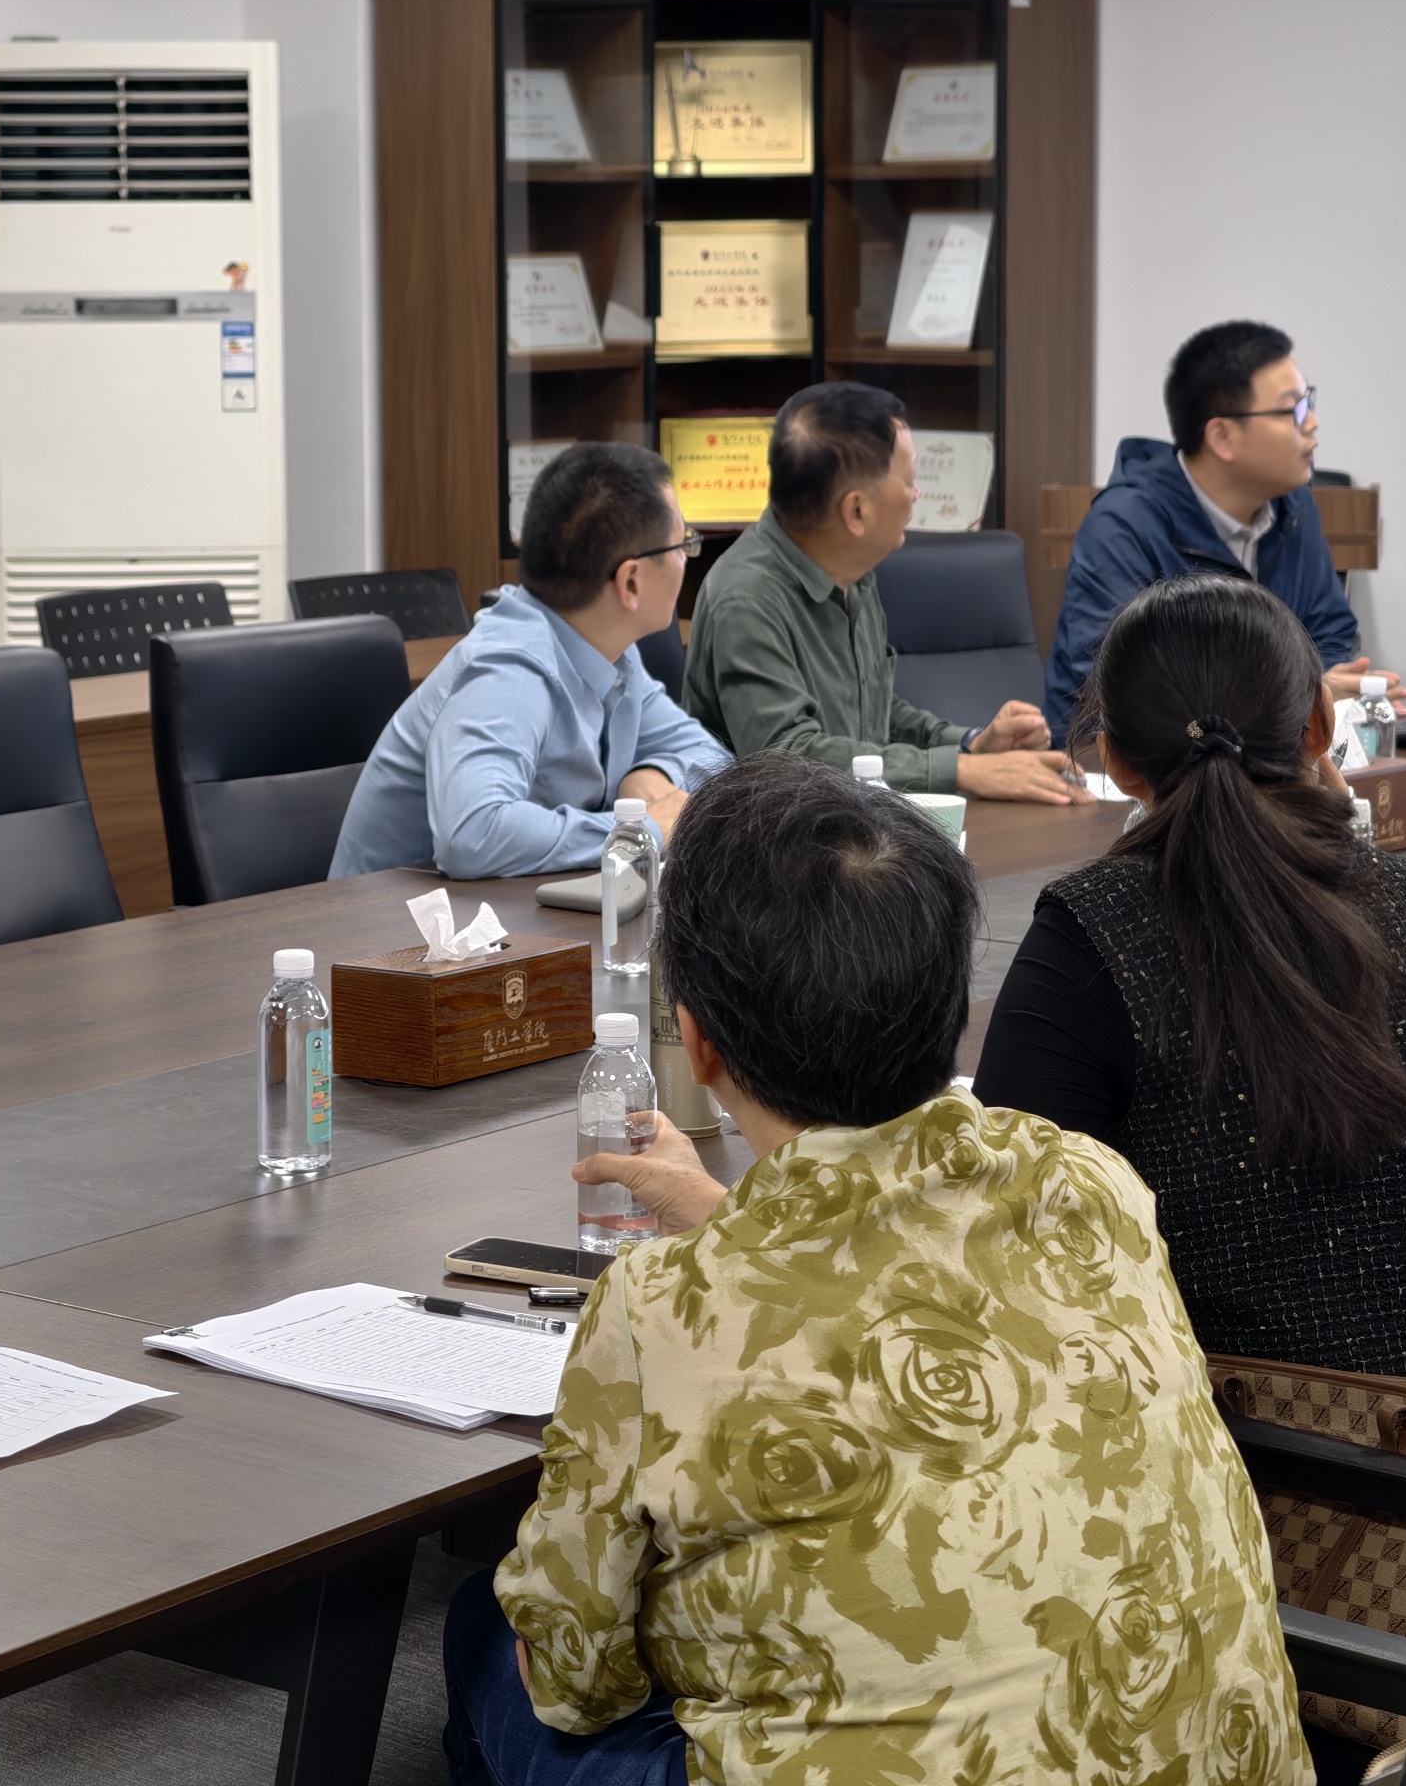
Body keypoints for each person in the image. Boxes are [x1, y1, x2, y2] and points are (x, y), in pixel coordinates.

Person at [471, 753, 1305, 1786]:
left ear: (696, 1042)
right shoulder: (1091, 1183)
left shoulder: (656, 1307)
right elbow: (904, 1276)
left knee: (487, 1641)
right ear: (952, 1007)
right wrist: (735, 1223)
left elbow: (574, 1680)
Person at [979, 578, 1406, 1380]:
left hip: (1245, 1441)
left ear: (1115, 761)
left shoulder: (1093, 933)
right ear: (1321, 725)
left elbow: (1007, 1224)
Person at [333, 442, 729, 879]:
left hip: (505, 910)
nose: (685, 558)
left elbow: (712, 758)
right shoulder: (509, 670)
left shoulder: (610, 652)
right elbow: (472, 834)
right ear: (631, 581)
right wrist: (641, 828)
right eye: (683, 544)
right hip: (388, 920)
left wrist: (650, 772)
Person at [678, 380, 1082, 803]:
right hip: (775, 833)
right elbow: (790, 759)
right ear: (856, 511)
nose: (917, 493)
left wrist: (969, 744)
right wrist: (964, 771)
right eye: (908, 479)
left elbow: (875, 714)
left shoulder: (850, 568)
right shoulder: (746, 600)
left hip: (855, 818)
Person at [1047, 319, 1401, 727]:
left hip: (1265, 750)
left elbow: (1331, 635)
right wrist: (1302, 697)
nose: (1312, 423)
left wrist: (1331, 692)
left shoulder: (1294, 508)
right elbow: (1117, 689)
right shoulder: (1123, 527)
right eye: (1293, 410)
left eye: (1309, 402)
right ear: (1221, 437)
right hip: (1127, 759)